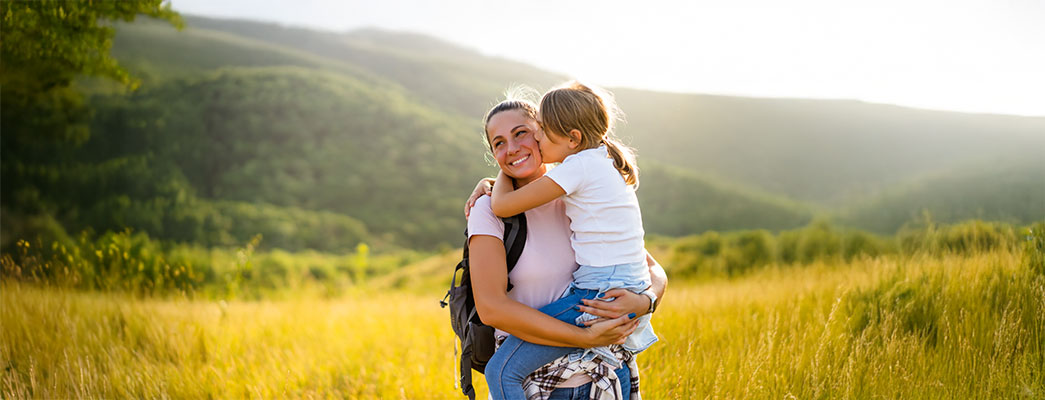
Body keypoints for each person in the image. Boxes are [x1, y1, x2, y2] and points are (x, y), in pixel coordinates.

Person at [465, 90, 666, 400]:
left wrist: (645, 302)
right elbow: (491, 308)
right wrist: (584, 337)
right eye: (499, 143)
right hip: (539, 386)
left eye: (523, 133)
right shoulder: (488, 209)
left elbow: (651, 269)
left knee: (501, 371)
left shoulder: (575, 194)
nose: (512, 148)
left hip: (606, 376)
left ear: (545, 132)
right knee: (501, 372)